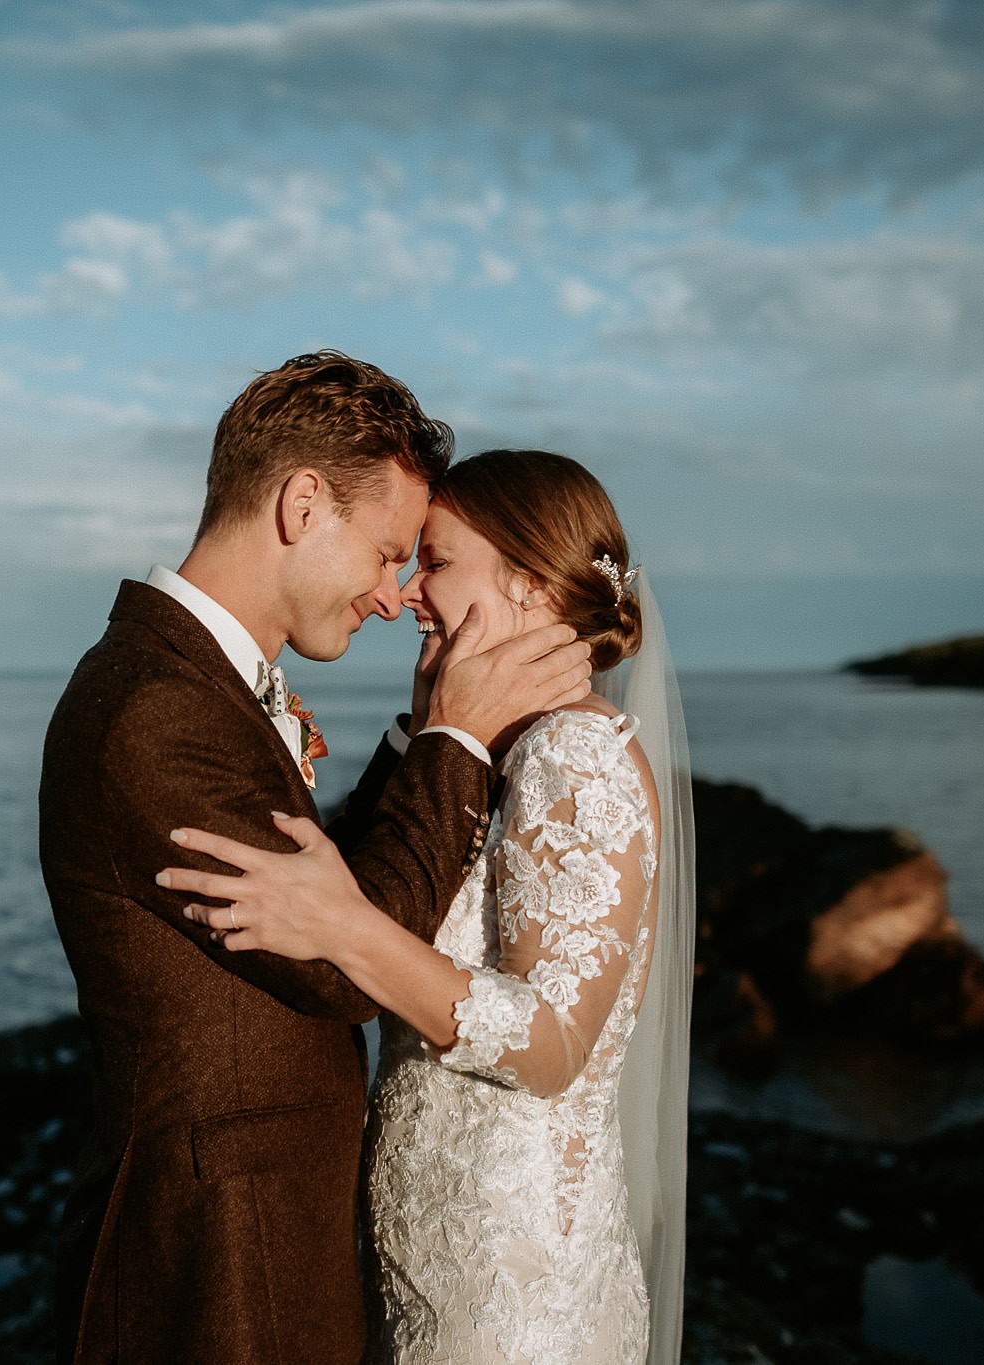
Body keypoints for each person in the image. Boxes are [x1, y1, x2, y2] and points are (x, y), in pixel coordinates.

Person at [39, 357, 595, 1364]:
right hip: (220, 1261)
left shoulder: (189, 681)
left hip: (265, 1231)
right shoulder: (154, 709)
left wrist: (418, 735)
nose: (394, 599)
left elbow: (313, 886)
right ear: (303, 504)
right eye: (387, 554)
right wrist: (456, 743)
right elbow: (337, 960)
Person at [165, 449, 696, 1365]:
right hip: (435, 1251)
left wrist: (342, 925)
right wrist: (427, 735)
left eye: (438, 563)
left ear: (529, 585)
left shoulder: (577, 756)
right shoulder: (512, 750)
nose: (410, 592)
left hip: (509, 1277)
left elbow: (553, 1045)